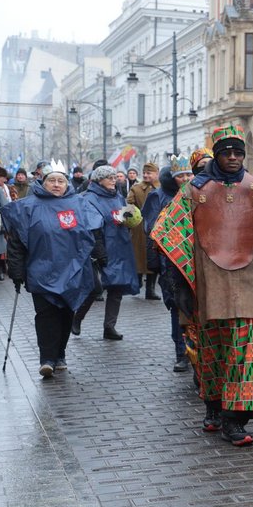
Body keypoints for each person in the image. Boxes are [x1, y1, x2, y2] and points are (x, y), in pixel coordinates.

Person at [151, 125, 253, 446]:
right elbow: (169, 236)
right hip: (210, 278)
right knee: (214, 349)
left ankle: (234, 419)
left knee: (248, 348)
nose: (232, 157)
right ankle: (214, 406)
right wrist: (181, 287)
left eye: (238, 152)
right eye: (226, 152)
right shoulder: (193, 190)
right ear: (216, 154)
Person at [2, 161, 103, 377]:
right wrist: (16, 271)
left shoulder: (79, 204)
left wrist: (101, 254)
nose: (56, 185)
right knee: (46, 315)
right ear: (42, 182)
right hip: (41, 270)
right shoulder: (27, 206)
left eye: (61, 181)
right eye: (52, 181)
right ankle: (46, 358)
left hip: (73, 271)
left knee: (66, 313)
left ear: (67, 184)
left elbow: (94, 232)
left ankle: (60, 354)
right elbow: (16, 243)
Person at [71, 164, 140, 341]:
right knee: (95, 288)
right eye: (109, 177)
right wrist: (100, 251)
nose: (114, 180)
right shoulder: (89, 198)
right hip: (96, 249)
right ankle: (76, 319)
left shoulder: (117, 196)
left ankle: (109, 327)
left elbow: (121, 216)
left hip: (118, 246)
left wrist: (130, 217)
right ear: (98, 180)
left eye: (115, 177)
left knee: (116, 287)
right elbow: (92, 227)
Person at [142, 159, 193, 372]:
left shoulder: (196, 192)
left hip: (195, 258)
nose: (185, 179)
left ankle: (197, 350)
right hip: (171, 261)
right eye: (181, 176)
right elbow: (152, 228)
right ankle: (181, 352)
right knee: (177, 306)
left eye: (188, 175)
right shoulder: (158, 196)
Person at [127, 162, 160, 300]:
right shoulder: (136, 188)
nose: (146, 175)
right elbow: (128, 204)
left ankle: (150, 290)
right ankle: (137, 283)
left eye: (149, 173)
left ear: (156, 174)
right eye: (144, 173)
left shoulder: (161, 189)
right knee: (139, 257)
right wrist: (131, 217)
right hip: (140, 228)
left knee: (154, 258)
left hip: (157, 227)